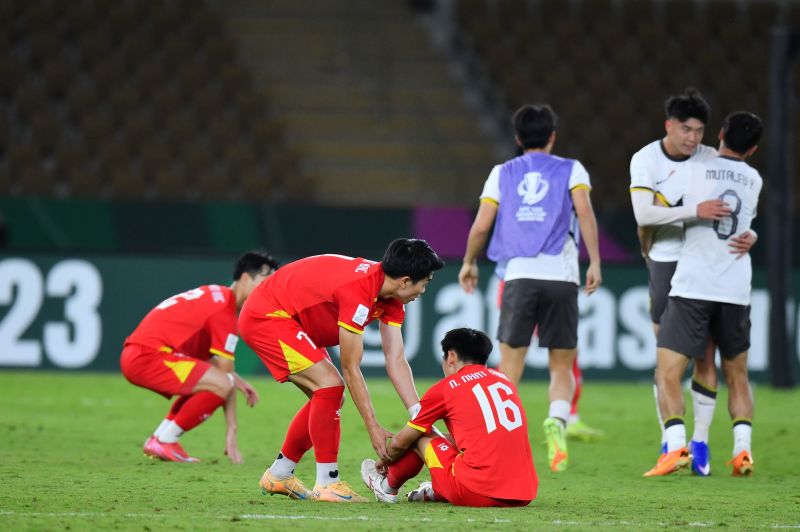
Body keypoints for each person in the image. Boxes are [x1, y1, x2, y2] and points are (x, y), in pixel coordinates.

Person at [239, 238, 444, 503]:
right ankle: (327, 483)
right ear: (405, 281)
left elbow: (395, 358)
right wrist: (373, 426)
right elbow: (350, 367)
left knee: (330, 394)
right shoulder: (359, 291)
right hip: (266, 316)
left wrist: (419, 416)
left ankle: (280, 473)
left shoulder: (391, 295)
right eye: (424, 282)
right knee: (330, 386)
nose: (424, 290)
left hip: (292, 319)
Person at [459, 103, 602, 472]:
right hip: (562, 276)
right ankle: (557, 420)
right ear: (552, 136)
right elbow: (585, 213)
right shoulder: (572, 169)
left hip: (519, 275)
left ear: (518, 138)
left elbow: (480, 225)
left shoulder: (501, 173)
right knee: (562, 367)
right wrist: (596, 263)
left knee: (509, 369)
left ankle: (500, 443)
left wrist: (469, 262)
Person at [629, 88, 757, 476]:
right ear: (669, 125)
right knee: (665, 357)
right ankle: (670, 442)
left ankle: (697, 442)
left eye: (700, 130)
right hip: (667, 263)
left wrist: (753, 235)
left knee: (704, 357)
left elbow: (738, 206)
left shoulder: (710, 159)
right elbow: (642, 213)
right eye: (686, 129)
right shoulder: (646, 159)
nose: (693, 138)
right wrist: (692, 211)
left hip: (702, 266)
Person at [120, 250, 278, 463]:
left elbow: (213, 365)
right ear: (245, 278)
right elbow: (225, 379)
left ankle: (159, 439)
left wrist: (238, 381)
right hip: (148, 357)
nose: (268, 290)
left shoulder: (217, 295)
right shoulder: (225, 311)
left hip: (141, 353)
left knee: (212, 381)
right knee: (222, 383)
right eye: (265, 281)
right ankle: (166, 440)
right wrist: (232, 429)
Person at [360, 327, 537, 507]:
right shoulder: (503, 379)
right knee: (449, 440)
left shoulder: (447, 387)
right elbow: (479, 437)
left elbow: (400, 443)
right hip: (523, 494)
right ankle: (437, 490)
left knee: (420, 432)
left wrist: (382, 462)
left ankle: (386, 486)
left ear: (451, 356)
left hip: (475, 492)